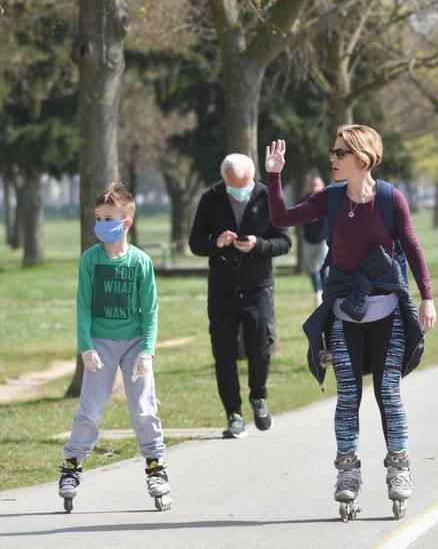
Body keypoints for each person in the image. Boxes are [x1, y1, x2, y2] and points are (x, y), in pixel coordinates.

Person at [265, 124, 437, 521]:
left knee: (388, 393)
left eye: (338, 152)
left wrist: (427, 296)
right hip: (345, 310)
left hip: (388, 311)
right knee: (348, 396)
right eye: (333, 151)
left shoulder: (391, 198)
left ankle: (399, 469)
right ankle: (347, 474)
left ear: (361, 158)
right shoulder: (330, 197)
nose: (332, 157)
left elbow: (411, 245)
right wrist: (274, 174)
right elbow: (281, 216)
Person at [58, 183, 171, 512]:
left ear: (126, 222)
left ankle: (155, 467)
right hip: (100, 345)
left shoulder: (140, 262)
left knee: (143, 410)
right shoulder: (90, 260)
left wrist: (147, 350)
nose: (101, 223)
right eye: (97, 217)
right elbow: (82, 305)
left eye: (108, 217)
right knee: (90, 411)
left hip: (135, 344)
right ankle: (71, 467)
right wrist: (85, 346)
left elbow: (150, 310)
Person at [188, 153, 292, 438]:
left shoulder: (268, 196)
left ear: (253, 176)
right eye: (233, 186)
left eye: (244, 185)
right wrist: (217, 244)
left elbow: (284, 242)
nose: (239, 190)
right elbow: (196, 243)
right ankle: (233, 414)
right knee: (223, 354)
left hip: (258, 287)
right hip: (222, 289)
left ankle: (258, 396)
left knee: (260, 349)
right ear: (224, 180)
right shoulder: (210, 199)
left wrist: (259, 245)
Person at [301, 176, 329, 304]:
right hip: (308, 239)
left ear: (322, 185)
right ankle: (317, 291)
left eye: (316, 185)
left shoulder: (327, 199)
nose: (314, 187)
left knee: (322, 266)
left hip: (324, 239)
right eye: (312, 185)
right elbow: (298, 217)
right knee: (312, 269)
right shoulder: (304, 200)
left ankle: (322, 292)